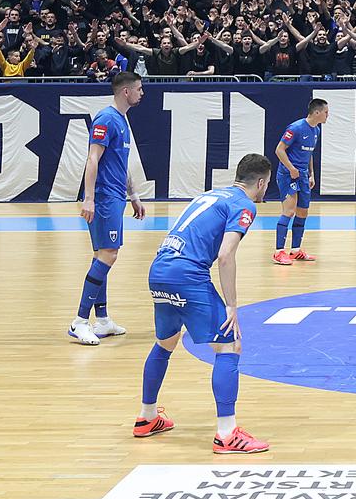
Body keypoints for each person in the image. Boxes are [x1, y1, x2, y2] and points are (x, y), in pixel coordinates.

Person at [137, 151, 272, 454]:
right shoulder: (244, 205)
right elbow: (225, 255)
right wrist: (232, 306)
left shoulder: (210, 194)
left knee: (166, 343)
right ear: (261, 183)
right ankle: (227, 434)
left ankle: (147, 417)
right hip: (187, 275)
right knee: (229, 345)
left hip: (160, 269)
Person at [71, 71, 148, 345]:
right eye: (139, 88)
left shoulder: (122, 120)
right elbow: (92, 159)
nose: (142, 93)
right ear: (126, 91)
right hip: (104, 198)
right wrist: (89, 198)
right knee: (108, 255)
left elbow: (120, 163)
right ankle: (80, 321)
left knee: (101, 256)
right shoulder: (106, 119)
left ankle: (102, 320)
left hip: (115, 196)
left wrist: (133, 194)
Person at [272, 97, 327, 266]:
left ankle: (295, 250)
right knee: (289, 211)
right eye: (326, 112)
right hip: (288, 174)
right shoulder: (295, 128)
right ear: (316, 112)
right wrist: (291, 168)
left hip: (303, 175)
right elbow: (279, 150)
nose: (327, 115)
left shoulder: (316, 130)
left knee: (303, 212)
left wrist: (312, 174)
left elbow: (309, 153)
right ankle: (278, 252)